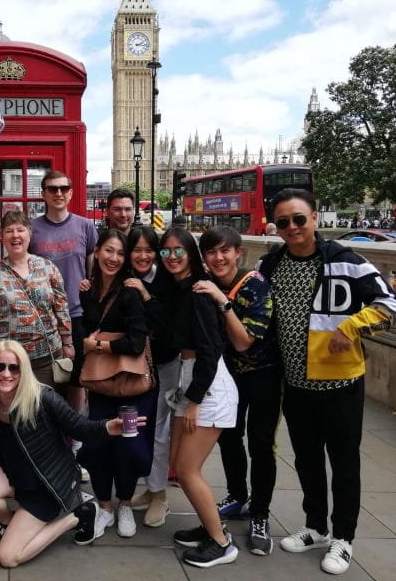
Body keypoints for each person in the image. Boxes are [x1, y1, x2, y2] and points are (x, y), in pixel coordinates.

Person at [256, 188, 396, 575]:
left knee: (343, 463)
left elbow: (391, 304)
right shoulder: (271, 265)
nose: (292, 228)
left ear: (315, 219)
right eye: (283, 222)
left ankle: (344, 538)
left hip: (340, 385)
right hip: (296, 385)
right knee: (306, 460)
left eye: (299, 219)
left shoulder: (347, 261)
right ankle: (316, 526)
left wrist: (353, 326)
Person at [0, 340, 142, 567]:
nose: (6, 374)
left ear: (23, 371)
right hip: (14, 474)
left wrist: (108, 427)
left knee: (7, 558)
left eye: (13, 367)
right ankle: (9, 522)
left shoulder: (43, 397)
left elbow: (79, 427)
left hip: (47, 484)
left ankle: (75, 517)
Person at [194, 226, 282, 555]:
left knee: (260, 444)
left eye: (224, 251)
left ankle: (260, 514)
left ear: (238, 252)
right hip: (228, 377)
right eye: (211, 252)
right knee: (229, 437)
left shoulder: (255, 285)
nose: (218, 258)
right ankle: (237, 495)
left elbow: (245, 342)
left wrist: (222, 302)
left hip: (264, 376)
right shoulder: (206, 282)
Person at [160, 226, 239, 569]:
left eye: (179, 250)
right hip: (189, 378)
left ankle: (222, 544)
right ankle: (211, 527)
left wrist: (194, 401)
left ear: (191, 252)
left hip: (207, 386)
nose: (172, 257)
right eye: (166, 252)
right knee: (178, 464)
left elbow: (210, 351)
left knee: (189, 470)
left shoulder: (199, 293)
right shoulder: (181, 289)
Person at [77, 229, 154, 540]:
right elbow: (83, 327)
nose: (113, 258)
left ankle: (124, 502)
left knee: (129, 447)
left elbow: (137, 342)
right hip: (100, 387)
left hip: (133, 387)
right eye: (108, 251)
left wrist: (100, 347)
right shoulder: (88, 290)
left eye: (120, 254)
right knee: (97, 445)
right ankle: (105, 505)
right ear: (97, 251)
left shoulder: (130, 291)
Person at [29, 170, 98, 480]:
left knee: (75, 384)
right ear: (43, 193)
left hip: (77, 314)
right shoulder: (32, 229)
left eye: (63, 188)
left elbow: (93, 265)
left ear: (71, 193)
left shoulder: (85, 226)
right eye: (52, 189)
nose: (58, 193)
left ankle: (75, 446)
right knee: (44, 385)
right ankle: (49, 445)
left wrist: (91, 286)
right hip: (41, 319)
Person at [0, 211, 74, 386]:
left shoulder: (48, 268)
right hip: (6, 362)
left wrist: (68, 343)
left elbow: (61, 309)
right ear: (2, 236)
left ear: (29, 234)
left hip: (45, 357)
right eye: (9, 231)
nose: (15, 235)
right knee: (9, 409)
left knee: (43, 408)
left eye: (20, 230)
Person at [123, 226, 179, 528]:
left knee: (158, 430)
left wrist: (145, 295)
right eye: (137, 250)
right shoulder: (123, 275)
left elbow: (169, 326)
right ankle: (147, 487)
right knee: (134, 428)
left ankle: (159, 496)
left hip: (164, 365)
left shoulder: (167, 279)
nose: (143, 256)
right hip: (132, 365)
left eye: (149, 250)